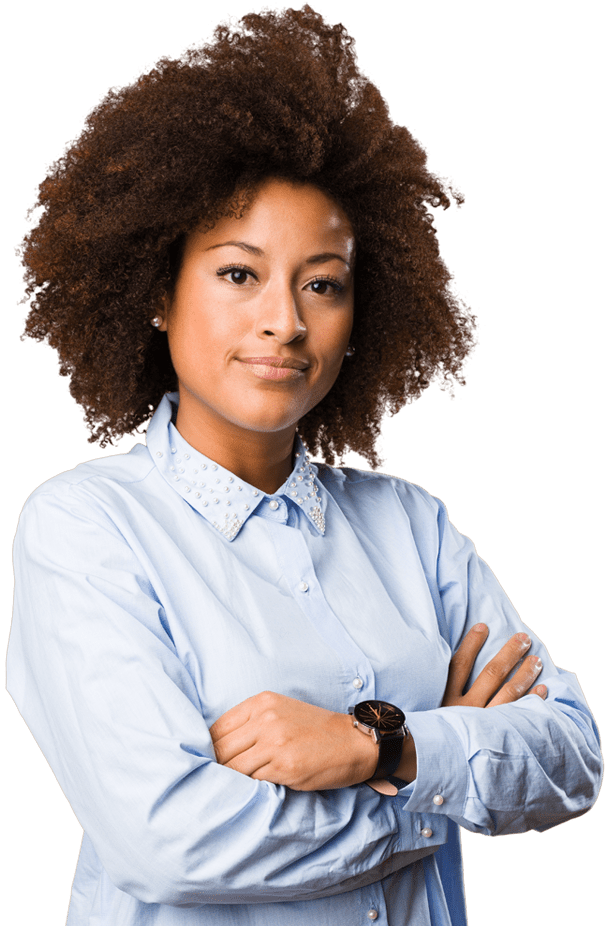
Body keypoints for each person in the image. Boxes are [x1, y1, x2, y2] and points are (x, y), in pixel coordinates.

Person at [7, 5, 602, 925]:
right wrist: (437, 779)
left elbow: (570, 755)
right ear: (158, 292)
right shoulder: (86, 528)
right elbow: (169, 844)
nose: (284, 322)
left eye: (322, 284)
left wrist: (376, 749)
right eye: (238, 274)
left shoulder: (411, 526)